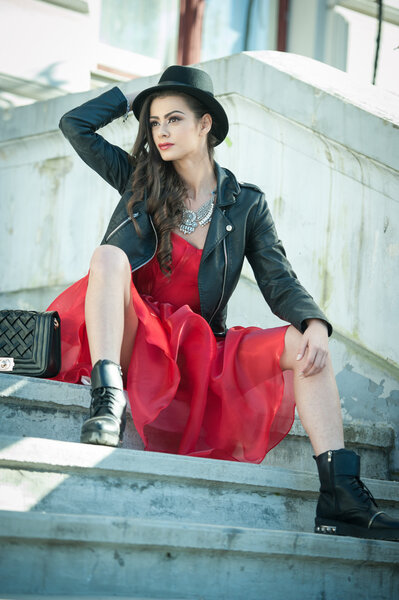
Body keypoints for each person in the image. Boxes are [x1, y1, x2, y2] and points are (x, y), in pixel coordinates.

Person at [48, 65, 399, 542]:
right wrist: (133, 92)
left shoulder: (245, 205)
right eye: (153, 122)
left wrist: (314, 322)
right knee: (108, 256)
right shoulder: (138, 178)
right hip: (134, 336)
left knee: (305, 346)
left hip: (198, 349)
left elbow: (279, 280)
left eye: (174, 119)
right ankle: (107, 403)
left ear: (205, 124)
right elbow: (75, 125)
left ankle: (342, 498)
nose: (162, 132)